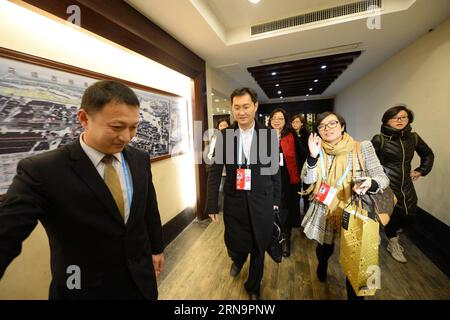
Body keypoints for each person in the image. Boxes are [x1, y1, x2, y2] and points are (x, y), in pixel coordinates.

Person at [0, 80, 164, 300]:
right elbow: (7, 230)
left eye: (133, 127)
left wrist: (157, 248)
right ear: (84, 119)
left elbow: (148, 208)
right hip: (81, 287)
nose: (127, 137)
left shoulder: (139, 159)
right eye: (117, 127)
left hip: (139, 282)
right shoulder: (42, 171)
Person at [301, 111, 389, 299]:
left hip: (356, 208)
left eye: (332, 124)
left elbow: (382, 178)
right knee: (324, 248)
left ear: (342, 126)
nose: (327, 128)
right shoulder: (317, 148)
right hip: (325, 207)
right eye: (322, 126)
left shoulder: (362, 147)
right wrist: (312, 156)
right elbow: (307, 179)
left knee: (359, 258)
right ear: (318, 131)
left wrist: (371, 183)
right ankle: (322, 263)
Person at [205, 87, 281, 300]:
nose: (241, 112)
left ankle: (253, 286)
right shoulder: (225, 136)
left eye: (246, 106)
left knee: (259, 245)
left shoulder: (268, 136)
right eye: (237, 107)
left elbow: (275, 172)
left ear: (255, 106)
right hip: (235, 202)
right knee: (235, 242)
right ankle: (237, 259)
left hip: (262, 201)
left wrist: (276, 201)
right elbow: (214, 172)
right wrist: (211, 204)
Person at [371, 105, 434, 263]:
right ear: (387, 121)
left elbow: (427, 154)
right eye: (395, 118)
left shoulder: (414, 138)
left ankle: (391, 232)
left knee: (409, 213)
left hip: (406, 182)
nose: (399, 120)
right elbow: (369, 163)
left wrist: (421, 170)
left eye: (403, 117)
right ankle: (393, 242)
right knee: (390, 214)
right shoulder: (380, 139)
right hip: (386, 183)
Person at [269, 108, 301, 257]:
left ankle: (286, 240)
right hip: (269, 180)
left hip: (287, 179)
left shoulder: (291, 135)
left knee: (286, 211)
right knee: (273, 210)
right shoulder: (264, 136)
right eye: (274, 118)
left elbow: (301, 155)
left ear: (285, 121)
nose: (276, 121)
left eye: (280, 118)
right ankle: (273, 238)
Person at [291, 114, 310, 216]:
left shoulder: (307, 135)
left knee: (307, 186)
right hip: (295, 165)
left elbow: (306, 151)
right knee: (297, 189)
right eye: (293, 122)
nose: (294, 124)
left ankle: (307, 209)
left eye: (297, 122)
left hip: (306, 164)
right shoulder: (290, 135)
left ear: (302, 123)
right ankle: (297, 212)